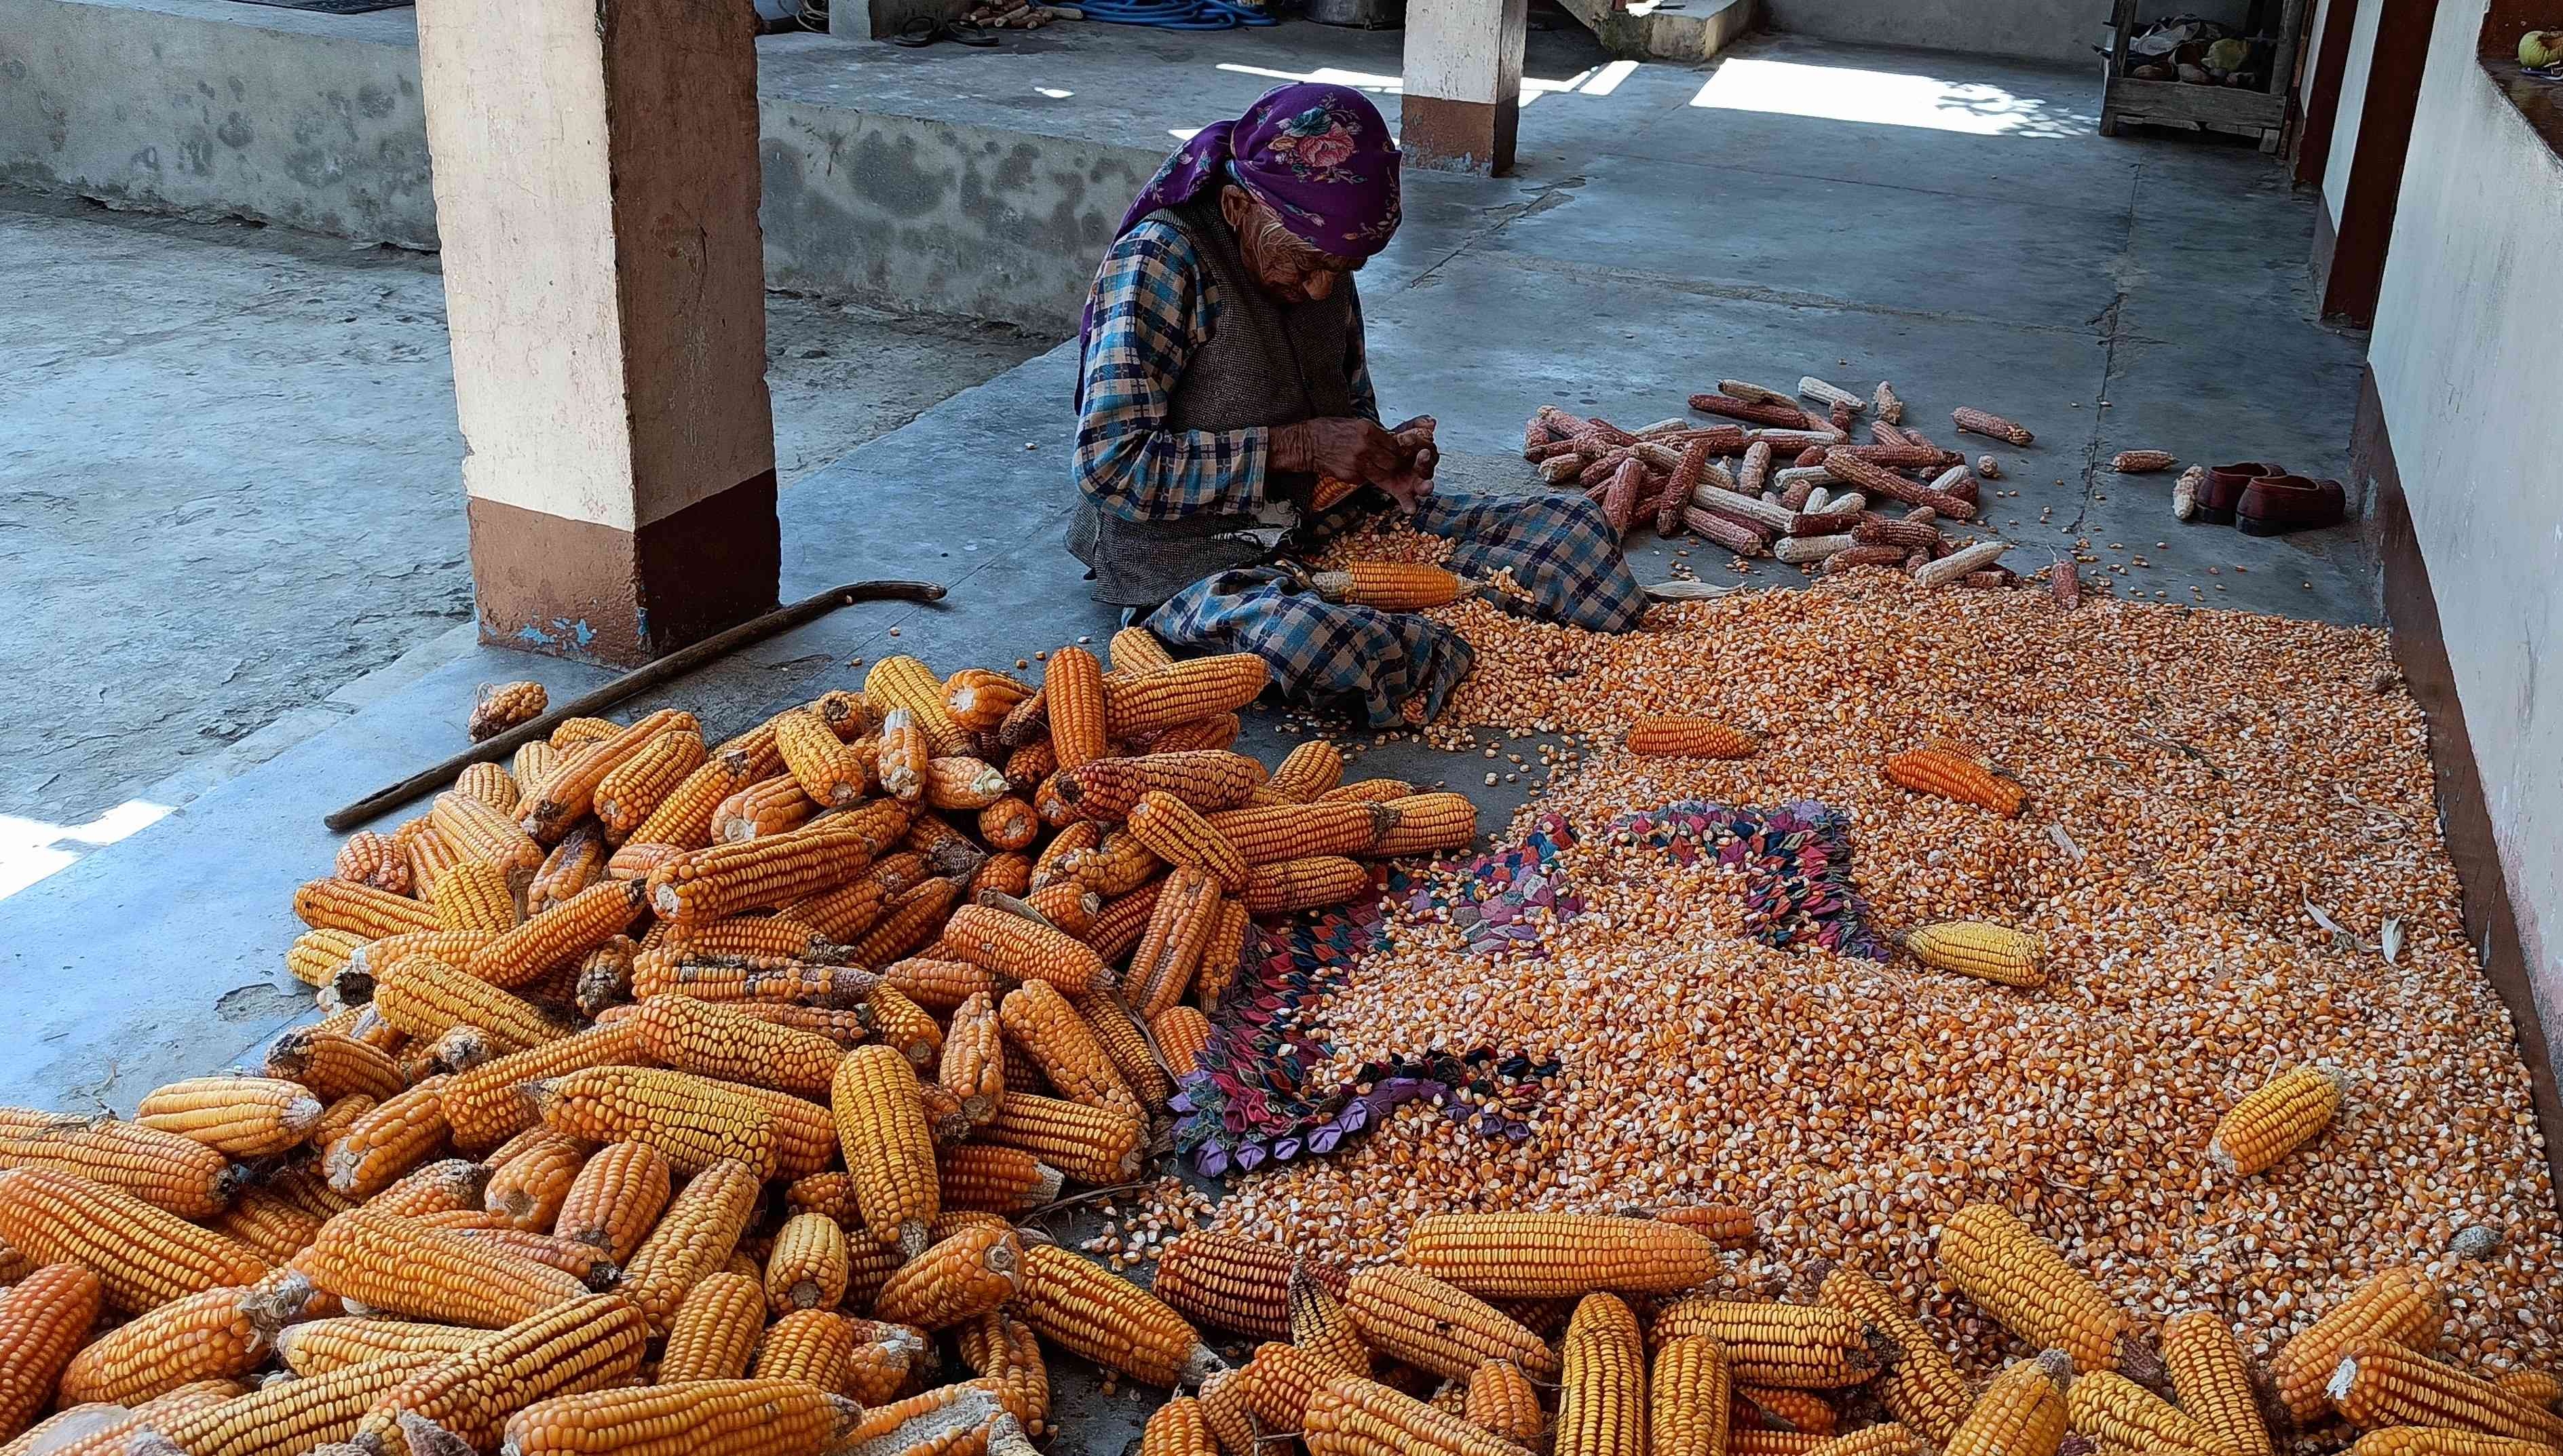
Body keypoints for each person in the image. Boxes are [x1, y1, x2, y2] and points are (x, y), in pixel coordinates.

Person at [1069, 81, 1644, 726]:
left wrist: (1382, 454)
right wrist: (1303, 445)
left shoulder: (1328, 261)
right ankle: (1451, 645)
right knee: (1309, 641)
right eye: (1309, 263)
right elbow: (1109, 467)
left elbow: (1350, 405)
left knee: (1573, 530)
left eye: (1345, 269)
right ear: (1236, 206)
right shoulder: (1162, 259)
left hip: (1323, 531)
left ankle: (1456, 646)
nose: (1321, 289)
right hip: (1196, 557)